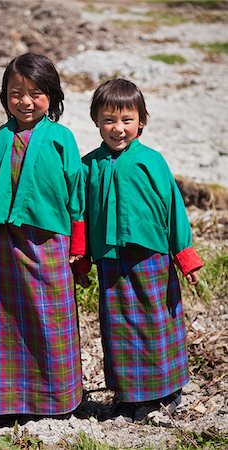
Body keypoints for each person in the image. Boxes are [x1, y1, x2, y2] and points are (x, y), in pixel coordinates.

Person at [80, 78, 203, 422]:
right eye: (109, 120)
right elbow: (82, 215)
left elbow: (173, 208)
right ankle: (128, 395)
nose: (117, 129)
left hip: (151, 257)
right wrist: (83, 258)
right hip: (111, 259)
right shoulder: (89, 165)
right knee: (117, 326)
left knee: (156, 321)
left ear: (141, 122)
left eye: (126, 120)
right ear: (97, 122)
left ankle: (166, 392)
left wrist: (185, 256)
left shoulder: (151, 161)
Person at [0, 52, 87, 421]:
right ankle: (15, 403)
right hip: (10, 243)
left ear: (52, 97)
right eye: (15, 93)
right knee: (11, 322)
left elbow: (76, 192)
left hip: (51, 244)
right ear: (4, 97)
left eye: (36, 93)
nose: (25, 101)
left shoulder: (61, 139)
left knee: (53, 319)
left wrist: (79, 243)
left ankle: (62, 401)